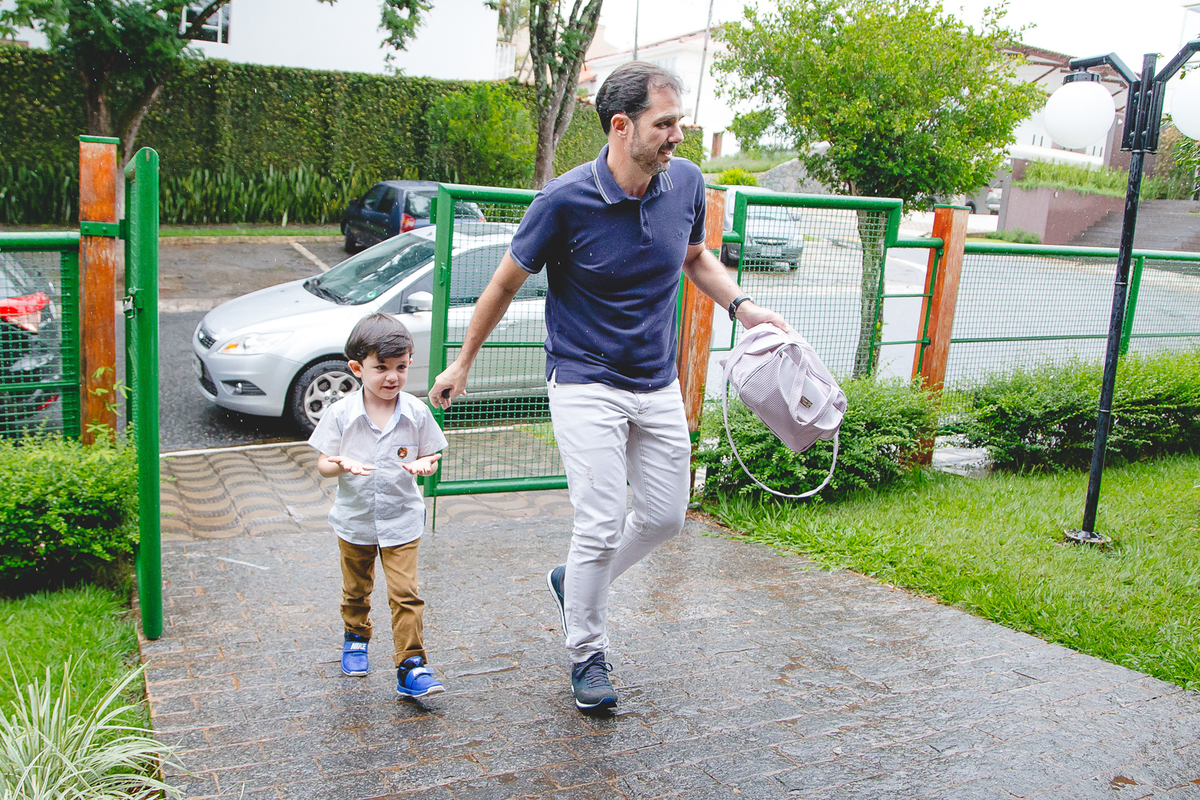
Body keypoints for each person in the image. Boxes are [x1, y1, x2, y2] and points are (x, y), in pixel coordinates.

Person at [428, 61, 788, 713]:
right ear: (622, 127)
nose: (678, 135)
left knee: (664, 516)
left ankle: (575, 583)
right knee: (597, 521)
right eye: (666, 124)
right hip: (584, 378)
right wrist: (462, 362)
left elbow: (694, 257)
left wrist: (744, 308)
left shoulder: (685, 185)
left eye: (680, 121)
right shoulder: (563, 201)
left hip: (655, 381)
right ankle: (587, 653)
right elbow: (504, 284)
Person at [310, 312, 448, 698]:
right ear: (357, 368)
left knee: (405, 593)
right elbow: (323, 464)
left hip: (402, 521)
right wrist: (339, 464)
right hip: (354, 522)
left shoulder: (416, 411)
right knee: (356, 589)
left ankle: (411, 665)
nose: (393, 377)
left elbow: (432, 455)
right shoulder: (341, 414)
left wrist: (426, 464)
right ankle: (356, 637)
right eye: (382, 367)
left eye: (401, 367)